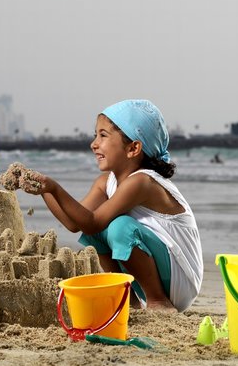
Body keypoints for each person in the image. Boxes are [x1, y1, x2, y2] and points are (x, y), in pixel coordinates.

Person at [21, 99, 202, 312]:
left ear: (133, 148)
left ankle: (158, 302)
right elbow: (74, 223)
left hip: (180, 278)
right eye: (95, 135)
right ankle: (130, 299)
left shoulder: (142, 182)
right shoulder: (107, 182)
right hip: (156, 271)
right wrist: (46, 190)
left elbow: (93, 222)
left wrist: (56, 187)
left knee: (118, 227)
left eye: (103, 135)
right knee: (97, 232)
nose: (94, 143)